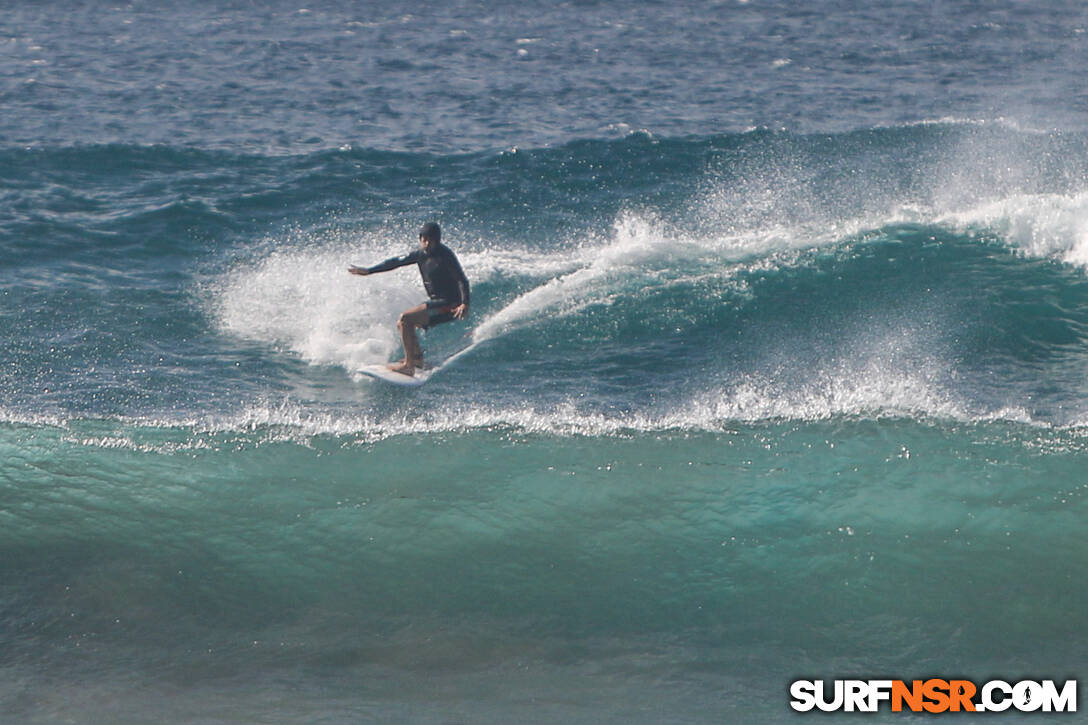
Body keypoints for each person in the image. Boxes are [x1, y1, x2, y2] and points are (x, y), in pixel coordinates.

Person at [348, 222, 470, 376]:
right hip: (437, 302)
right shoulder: (420, 255)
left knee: (406, 318)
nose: (426, 243)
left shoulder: (445, 256)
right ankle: (417, 359)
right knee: (402, 324)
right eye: (423, 239)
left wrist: (464, 303)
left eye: (429, 240)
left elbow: (462, 280)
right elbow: (395, 262)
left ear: (437, 240)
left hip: (450, 304)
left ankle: (408, 365)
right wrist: (369, 271)